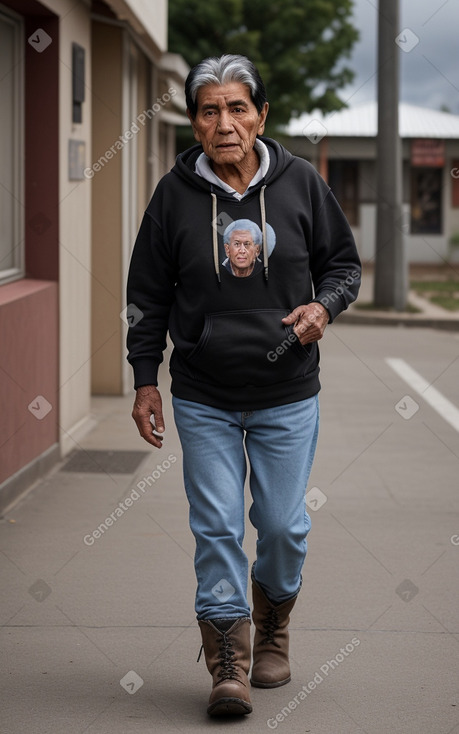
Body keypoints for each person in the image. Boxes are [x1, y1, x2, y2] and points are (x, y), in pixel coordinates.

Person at [126, 54, 361, 718]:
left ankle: (274, 626)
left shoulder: (300, 185)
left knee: (283, 526)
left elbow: (342, 265)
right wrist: (145, 380)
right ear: (194, 121)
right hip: (202, 394)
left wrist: (323, 307)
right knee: (218, 526)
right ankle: (227, 658)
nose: (223, 122)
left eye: (236, 107)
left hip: (287, 392)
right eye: (208, 109)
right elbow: (144, 295)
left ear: (262, 114)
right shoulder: (172, 196)